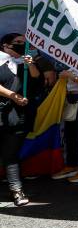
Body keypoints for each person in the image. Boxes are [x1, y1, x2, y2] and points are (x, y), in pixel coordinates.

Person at [0, 34, 31, 206]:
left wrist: (30, 65)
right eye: (18, 43)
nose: (21, 45)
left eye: (24, 43)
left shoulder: (23, 65)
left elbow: (38, 81)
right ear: (5, 45)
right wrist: (12, 95)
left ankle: (16, 190)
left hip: (15, 117)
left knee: (11, 154)